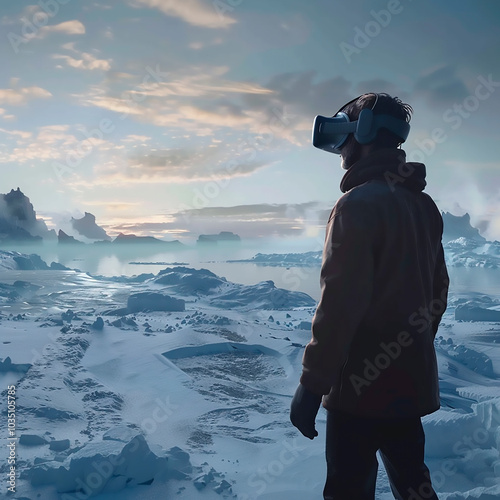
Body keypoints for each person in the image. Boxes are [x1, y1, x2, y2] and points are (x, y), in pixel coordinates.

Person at [290, 93, 449, 500]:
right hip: (408, 386)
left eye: (346, 127)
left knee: (347, 490)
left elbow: (340, 306)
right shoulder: (425, 206)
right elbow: (437, 293)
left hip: (357, 393)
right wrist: (408, 351)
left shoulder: (356, 204)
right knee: (413, 483)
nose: (340, 143)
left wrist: (312, 385)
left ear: (363, 130)